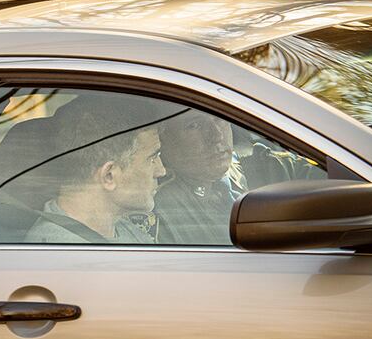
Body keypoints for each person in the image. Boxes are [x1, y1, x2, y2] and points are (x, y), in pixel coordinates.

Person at [24, 94, 167, 244]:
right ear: (109, 176)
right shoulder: (61, 253)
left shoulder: (120, 230)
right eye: (152, 158)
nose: (161, 170)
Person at [153, 109, 247, 245]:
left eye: (219, 119)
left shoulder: (238, 174)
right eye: (194, 125)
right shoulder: (162, 208)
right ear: (162, 140)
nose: (217, 135)